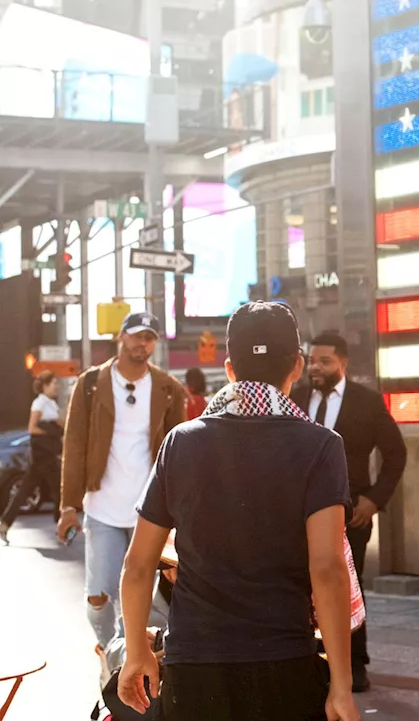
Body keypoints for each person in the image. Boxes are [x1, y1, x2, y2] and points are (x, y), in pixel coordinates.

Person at [117, 301, 359, 721]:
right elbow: (328, 569)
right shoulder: (321, 446)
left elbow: (139, 564)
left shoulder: (181, 443)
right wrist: (341, 684)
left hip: (194, 663)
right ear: (297, 366)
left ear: (230, 368)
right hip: (285, 660)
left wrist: (137, 650)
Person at [58, 312, 188, 648]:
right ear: (121, 337)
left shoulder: (169, 388)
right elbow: (74, 446)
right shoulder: (90, 384)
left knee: (143, 598)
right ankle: (110, 652)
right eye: (136, 336)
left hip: (150, 512)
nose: (141, 344)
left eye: (149, 337)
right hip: (102, 506)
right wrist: (68, 507)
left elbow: (179, 452)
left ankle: (129, 662)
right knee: (98, 595)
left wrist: (180, 513)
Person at [290, 331, 407, 693]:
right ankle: (310, 662)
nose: (316, 367)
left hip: (350, 513)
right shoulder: (294, 398)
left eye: (324, 361)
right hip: (298, 514)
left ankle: (355, 664)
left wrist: (374, 499)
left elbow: (396, 453)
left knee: (346, 588)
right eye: (312, 360)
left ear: (343, 363)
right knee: (299, 586)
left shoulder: (366, 402)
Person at [0, 371, 63, 543]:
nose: (57, 386)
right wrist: (51, 431)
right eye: (54, 384)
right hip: (43, 455)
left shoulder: (51, 403)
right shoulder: (39, 403)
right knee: (58, 489)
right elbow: (32, 428)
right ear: (44, 386)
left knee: (25, 491)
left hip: (46, 456)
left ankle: (5, 523)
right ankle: (63, 527)